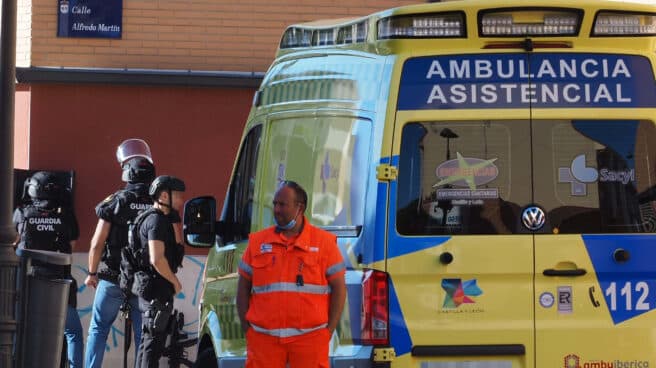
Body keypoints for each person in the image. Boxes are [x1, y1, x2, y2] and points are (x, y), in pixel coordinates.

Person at [236, 180, 347, 368]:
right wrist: (249, 331)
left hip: (310, 341)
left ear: (299, 207)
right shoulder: (257, 242)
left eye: (282, 204)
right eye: (275, 204)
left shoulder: (324, 244)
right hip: (264, 341)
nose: (276, 209)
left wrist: (327, 332)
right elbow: (243, 289)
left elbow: (339, 289)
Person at [84, 138, 156, 368]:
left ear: (126, 174)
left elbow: (97, 243)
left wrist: (92, 273)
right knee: (143, 335)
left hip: (113, 276)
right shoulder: (158, 204)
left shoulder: (115, 201)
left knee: (98, 328)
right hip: (144, 281)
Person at [13, 171, 84, 368]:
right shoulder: (66, 216)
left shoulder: (22, 213)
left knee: (18, 328)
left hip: (28, 283)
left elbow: (12, 242)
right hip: (59, 284)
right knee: (73, 333)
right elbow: (72, 245)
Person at [131, 175, 185, 368]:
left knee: (149, 343)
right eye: (177, 196)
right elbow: (157, 258)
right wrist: (175, 282)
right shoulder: (156, 221)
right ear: (164, 195)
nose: (180, 200)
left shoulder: (160, 219)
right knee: (152, 345)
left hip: (153, 287)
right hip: (157, 289)